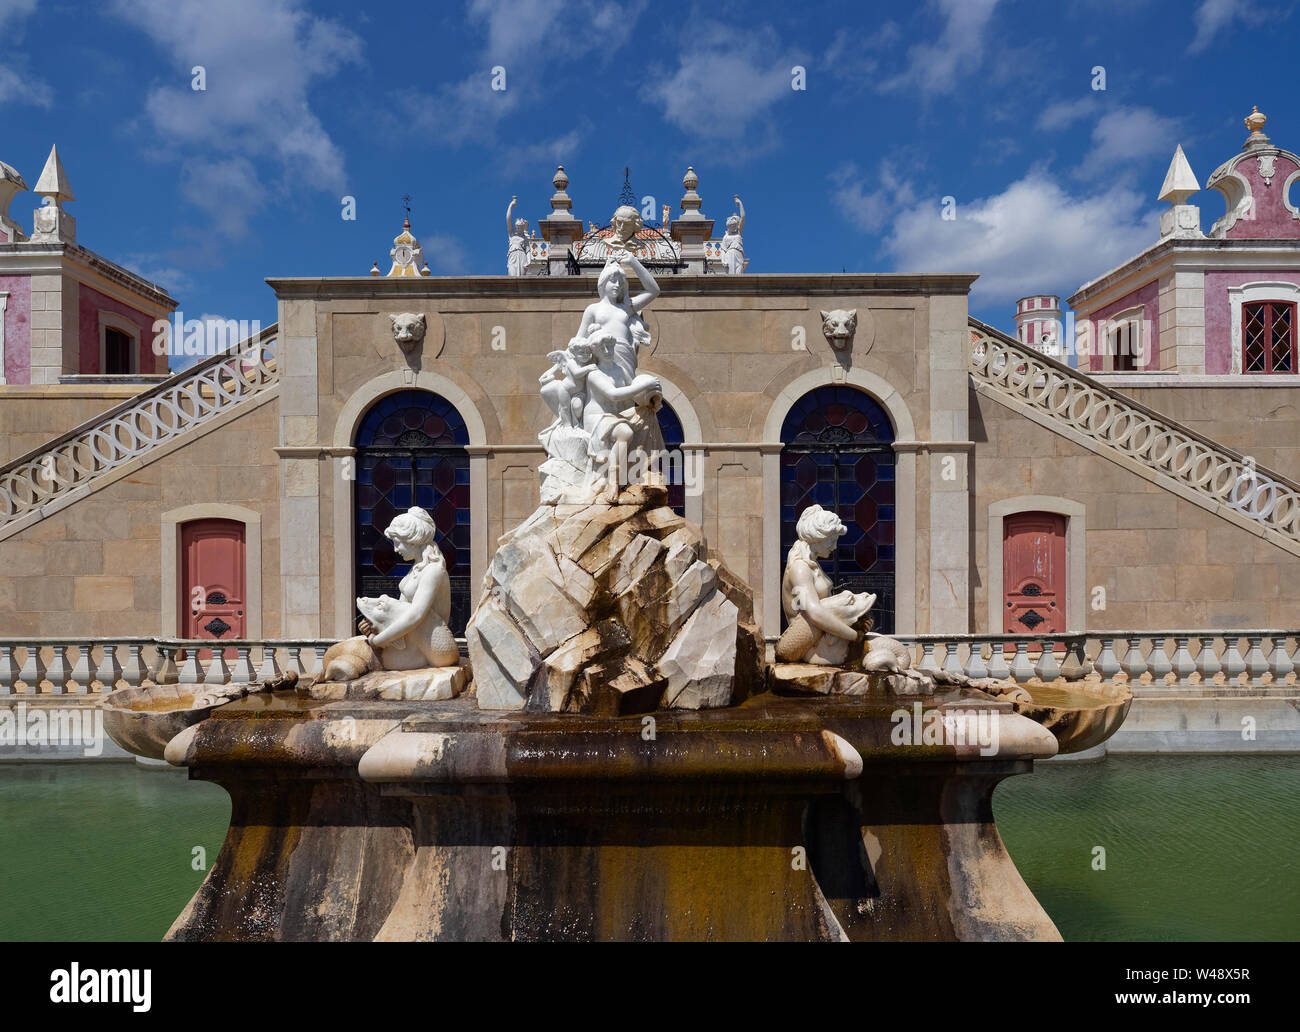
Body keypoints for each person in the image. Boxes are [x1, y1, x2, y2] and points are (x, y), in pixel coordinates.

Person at [506, 196, 529, 277]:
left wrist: (528, 263)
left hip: (522, 257)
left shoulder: (525, 238)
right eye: (517, 227)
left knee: (521, 279)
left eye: (520, 227)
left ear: (523, 228)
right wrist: (511, 205)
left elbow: (528, 251)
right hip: (512, 255)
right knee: (512, 276)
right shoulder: (512, 235)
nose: (518, 228)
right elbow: (508, 219)